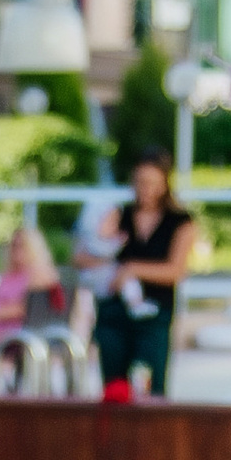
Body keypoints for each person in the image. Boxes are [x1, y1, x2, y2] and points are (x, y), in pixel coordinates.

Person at [94, 152, 200, 404]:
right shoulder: (120, 215)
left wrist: (132, 269)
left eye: (151, 183)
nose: (145, 189)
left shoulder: (180, 222)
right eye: (140, 182)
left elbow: (175, 271)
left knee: (151, 388)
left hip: (154, 313)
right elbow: (87, 254)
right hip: (115, 311)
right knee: (114, 389)